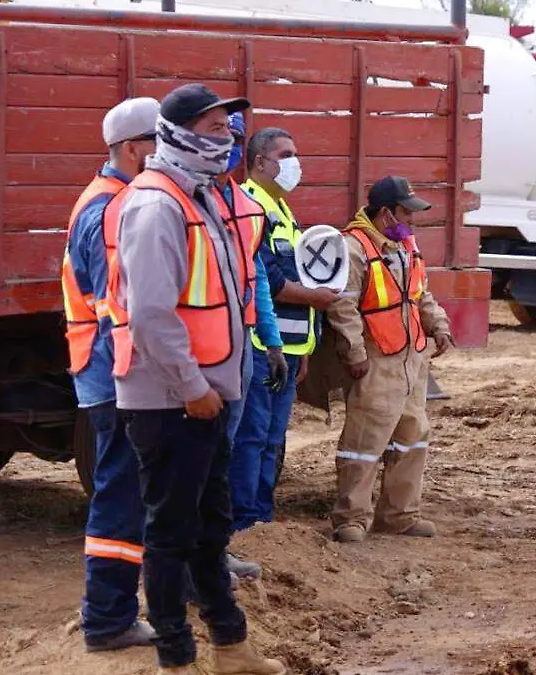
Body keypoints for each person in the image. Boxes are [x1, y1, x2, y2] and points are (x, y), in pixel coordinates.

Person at [104, 83, 284, 675]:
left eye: (227, 128)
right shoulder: (157, 205)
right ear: (176, 134)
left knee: (209, 530)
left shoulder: (199, 196)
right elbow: (152, 315)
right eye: (212, 129)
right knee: (171, 535)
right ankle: (176, 659)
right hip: (172, 401)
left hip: (206, 396)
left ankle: (230, 647)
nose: (226, 138)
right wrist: (195, 389)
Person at [61, 96, 159, 653]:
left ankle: (115, 613)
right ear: (131, 148)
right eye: (157, 146)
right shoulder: (109, 208)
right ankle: (108, 619)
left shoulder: (114, 199)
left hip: (108, 371)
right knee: (120, 496)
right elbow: (112, 309)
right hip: (113, 375)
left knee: (127, 491)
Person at [320, 176, 454, 544]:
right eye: (406, 213)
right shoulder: (354, 247)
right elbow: (342, 304)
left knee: (413, 436)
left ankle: (399, 515)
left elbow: (420, 294)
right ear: (385, 213)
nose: (412, 220)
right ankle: (350, 518)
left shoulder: (405, 245)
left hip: (411, 358)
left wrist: (438, 327)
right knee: (365, 439)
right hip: (377, 359)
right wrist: (355, 353)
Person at [229, 127, 337, 534]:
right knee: (252, 439)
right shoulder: (252, 206)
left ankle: (262, 518)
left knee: (272, 441)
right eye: (286, 154)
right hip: (260, 346)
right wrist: (316, 300)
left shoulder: (282, 210)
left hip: (287, 348)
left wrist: (303, 348)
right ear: (260, 162)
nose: (295, 162)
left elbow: (297, 274)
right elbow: (269, 281)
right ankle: (245, 521)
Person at [215, 113, 288, 581]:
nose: (227, 147)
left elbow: (256, 276)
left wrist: (274, 342)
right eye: (218, 136)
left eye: (233, 138)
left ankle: (215, 548)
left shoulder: (243, 207)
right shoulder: (168, 201)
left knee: (222, 452)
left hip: (238, 347)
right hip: (194, 355)